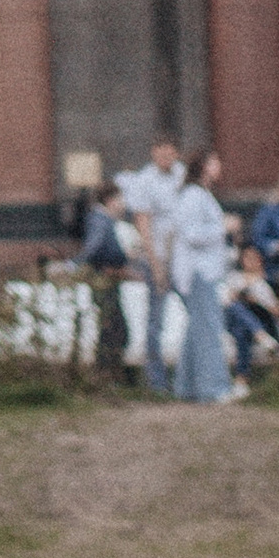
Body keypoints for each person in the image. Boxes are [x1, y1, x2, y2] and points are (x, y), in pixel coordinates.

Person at [115, 135, 187, 392]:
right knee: (156, 320)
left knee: (195, 313)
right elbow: (143, 224)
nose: (167, 157)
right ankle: (157, 383)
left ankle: (187, 377)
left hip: (183, 257)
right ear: (153, 153)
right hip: (158, 257)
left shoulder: (182, 176)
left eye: (171, 152)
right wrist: (156, 265)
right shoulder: (145, 181)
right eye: (161, 152)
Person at [170, 151, 237, 404]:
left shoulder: (203, 196)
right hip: (197, 272)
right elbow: (191, 235)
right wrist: (224, 227)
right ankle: (213, 387)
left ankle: (186, 386)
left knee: (196, 328)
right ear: (202, 167)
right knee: (209, 328)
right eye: (213, 163)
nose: (218, 167)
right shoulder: (192, 196)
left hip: (206, 270)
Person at [79, 183, 136, 373]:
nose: (123, 205)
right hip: (103, 278)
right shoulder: (101, 220)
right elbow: (94, 247)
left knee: (112, 328)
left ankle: (107, 373)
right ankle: (106, 373)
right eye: (120, 200)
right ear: (111, 200)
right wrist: (77, 263)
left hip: (109, 277)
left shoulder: (104, 220)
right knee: (114, 329)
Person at [222, 241, 279, 383]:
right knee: (236, 307)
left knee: (241, 331)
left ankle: (241, 378)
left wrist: (257, 302)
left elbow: (277, 311)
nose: (250, 262)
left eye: (254, 258)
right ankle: (261, 336)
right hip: (233, 316)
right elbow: (227, 301)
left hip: (258, 318)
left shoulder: (266, 282)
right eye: (247, 258)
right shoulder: (234, 278)